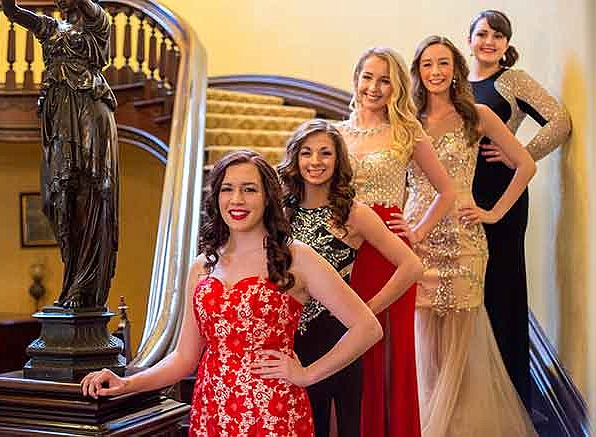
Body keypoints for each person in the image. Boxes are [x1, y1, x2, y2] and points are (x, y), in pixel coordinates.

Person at [81, 150, 382, 436]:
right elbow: (184, 358)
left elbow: (367, 327)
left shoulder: (296, 258)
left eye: (250, 189)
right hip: (213, 409)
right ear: (217, 197)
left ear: (268, 198)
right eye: (227, 189)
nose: (237, 200)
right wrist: (127, 383)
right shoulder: (202, 266)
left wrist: (308, 374)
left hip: (273, 411)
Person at [404, 34, 537, 436]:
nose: (436, 72)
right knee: (423, 335)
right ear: (417, 71)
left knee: (465, 336)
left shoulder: (476, 115)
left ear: (456, 69)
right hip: (419, 237)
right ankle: (427, 422)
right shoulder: (407, 119)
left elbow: (525, 165)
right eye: (427, 64)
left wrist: (493, 212)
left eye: (443, 63)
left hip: (464, 239)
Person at [277, 119, 423, 437]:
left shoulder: (353, 214)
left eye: (325, 153)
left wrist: (368, 308)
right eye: (306, 153)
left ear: (338, 159)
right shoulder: (278, 211)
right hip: (285, 337)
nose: (315, 162)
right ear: (295, 158)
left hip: (335, 339)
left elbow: (411, 266)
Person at [337, 47, 455, 437]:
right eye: (368, 76)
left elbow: (446, 190)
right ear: (355, 77)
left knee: (390, 349)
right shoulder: (336, 134)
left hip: (390, 252)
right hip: (344, 246)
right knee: (348, 343)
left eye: (384, 80)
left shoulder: (406, 131)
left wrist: (416, 232)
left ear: (396, 87)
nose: (374, 87)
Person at [467, 9, 572, 408]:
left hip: (504, 194)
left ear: (507, 45)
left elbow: (559, 121)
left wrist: (521, 154)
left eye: (498, 36)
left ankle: (509, 393)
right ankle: (475, 386)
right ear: (470, 39)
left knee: (502, 284)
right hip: (462, 195)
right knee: (470, 284)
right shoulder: (457, 83)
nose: (489, 41)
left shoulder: (512, 80)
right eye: (482, 34)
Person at [1, 0, 119, 309]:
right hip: (58, 118)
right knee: (57, 200)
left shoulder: (98, 23)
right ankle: (72, 281)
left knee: (89, 194)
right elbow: (13, 12)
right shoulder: (50, 27)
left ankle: (85, 286)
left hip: (88, 113)